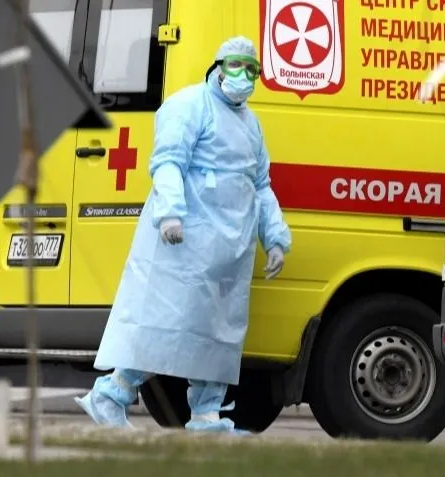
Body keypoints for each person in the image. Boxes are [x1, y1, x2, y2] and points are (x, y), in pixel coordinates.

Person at [74, 36, 292, 435]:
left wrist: (275, 236)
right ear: (218, 66)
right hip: (184, 243)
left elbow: (261, 185)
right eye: (236, 66)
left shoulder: (251, 125)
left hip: (229, 252)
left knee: (217, 335)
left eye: (252, 70)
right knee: (165, 327)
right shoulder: (190, 105)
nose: (244, 76)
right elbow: (168, 162)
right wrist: (170, 212)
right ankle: (110, 394)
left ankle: (207, 417)